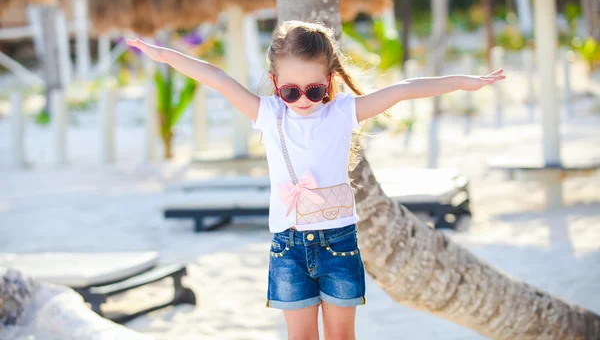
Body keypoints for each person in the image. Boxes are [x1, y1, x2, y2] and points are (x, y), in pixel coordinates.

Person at [127, 20, 505, 340]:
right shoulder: (268, 114)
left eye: (314, 89)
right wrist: (162, 55)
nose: (302, 99)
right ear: (276, 83)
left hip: (338, 244)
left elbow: (403, 90)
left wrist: (461, 81)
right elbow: (217, 77)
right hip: (287, 249)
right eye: (290, 90)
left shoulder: (343, 112)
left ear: (329, 79)